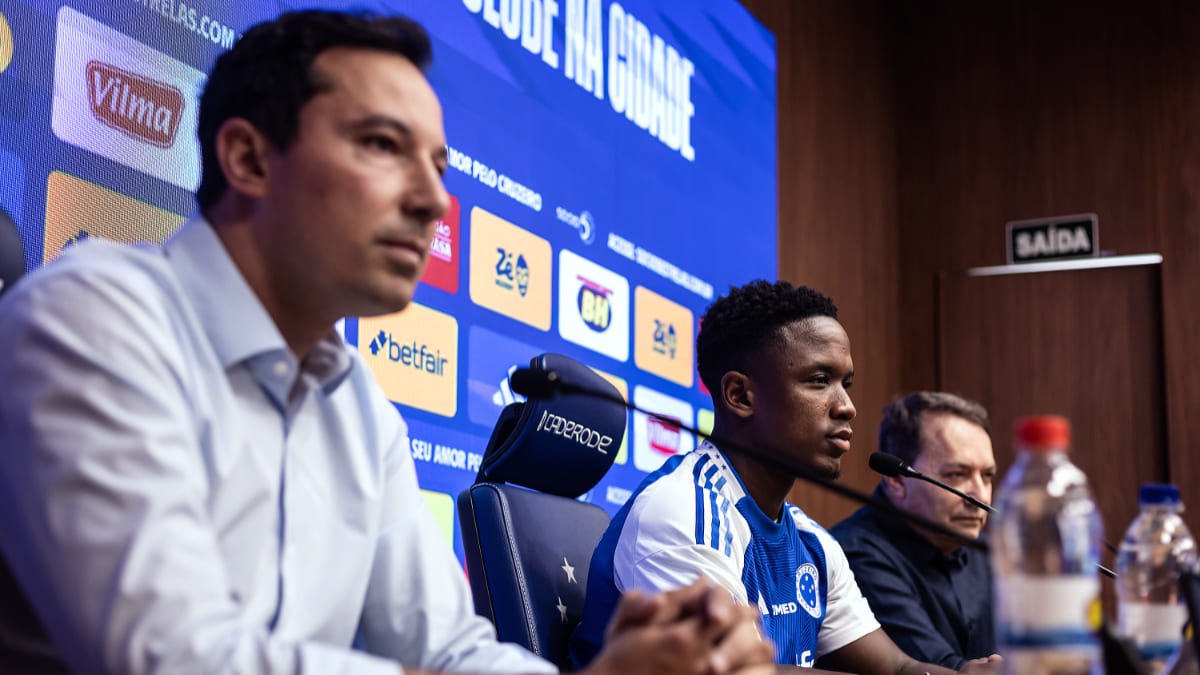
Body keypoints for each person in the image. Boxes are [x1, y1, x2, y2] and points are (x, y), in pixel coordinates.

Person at [0, 10, 773, 675]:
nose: (435, 198)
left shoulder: (357, 400)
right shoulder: (92, 318)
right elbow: (170, 657)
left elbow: (446, 649)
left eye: (438, 164)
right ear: (249, 158)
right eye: (381, 144)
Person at [569, 281, 990, 674]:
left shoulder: (812, 542)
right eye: (819, 380)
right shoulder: (683, 511)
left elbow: (898, 669)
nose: (846, 407)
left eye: (847, 383)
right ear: (740, 396)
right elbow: (735, 670)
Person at [830, 392, 998, 670]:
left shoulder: (989, 550)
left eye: (987, 476)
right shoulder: (854, 555)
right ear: (896, 479)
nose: (979, 497)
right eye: (957, 474)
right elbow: (939, 669)